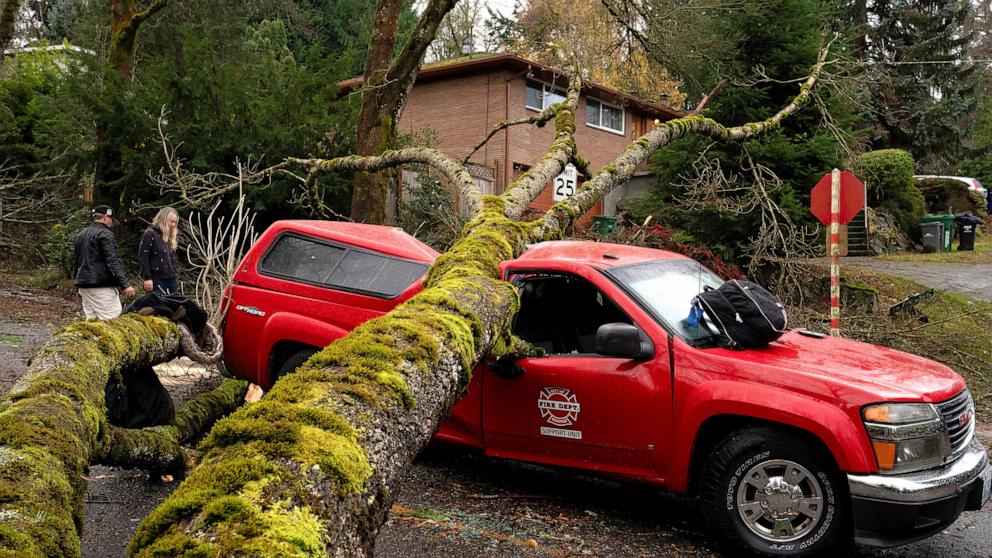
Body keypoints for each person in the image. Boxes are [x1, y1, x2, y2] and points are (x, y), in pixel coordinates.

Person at [74, 205, 135, 320]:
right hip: (101, 285)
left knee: (92, 321)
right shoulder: (105, 234)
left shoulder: (80, 235)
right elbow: (112, 260)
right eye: (112, 220)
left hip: (83, 284)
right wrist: (125, 284)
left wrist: (77, 286)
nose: (112, 224)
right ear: (106, 217)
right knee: (113, 320)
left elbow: (77, 262)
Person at [139, 207, 181, 295]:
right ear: (163, 219)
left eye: (175, 222)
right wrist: (147, 278)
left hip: (171, 279)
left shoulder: (169, 237)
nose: (173, 225)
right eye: (171, 221)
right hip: (156, 279)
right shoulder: (150, 234)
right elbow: (143, 257)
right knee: (160, 307)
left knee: (176, 305)